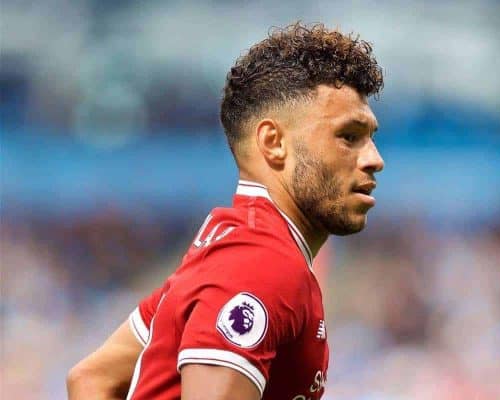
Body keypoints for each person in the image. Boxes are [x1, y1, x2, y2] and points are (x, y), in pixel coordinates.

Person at [67, 22, 384, 400]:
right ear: (274, 143)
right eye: (348, 137)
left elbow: (93, 378)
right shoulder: (260, 266)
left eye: (370, 138)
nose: (374, 159)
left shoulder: (234, 244)